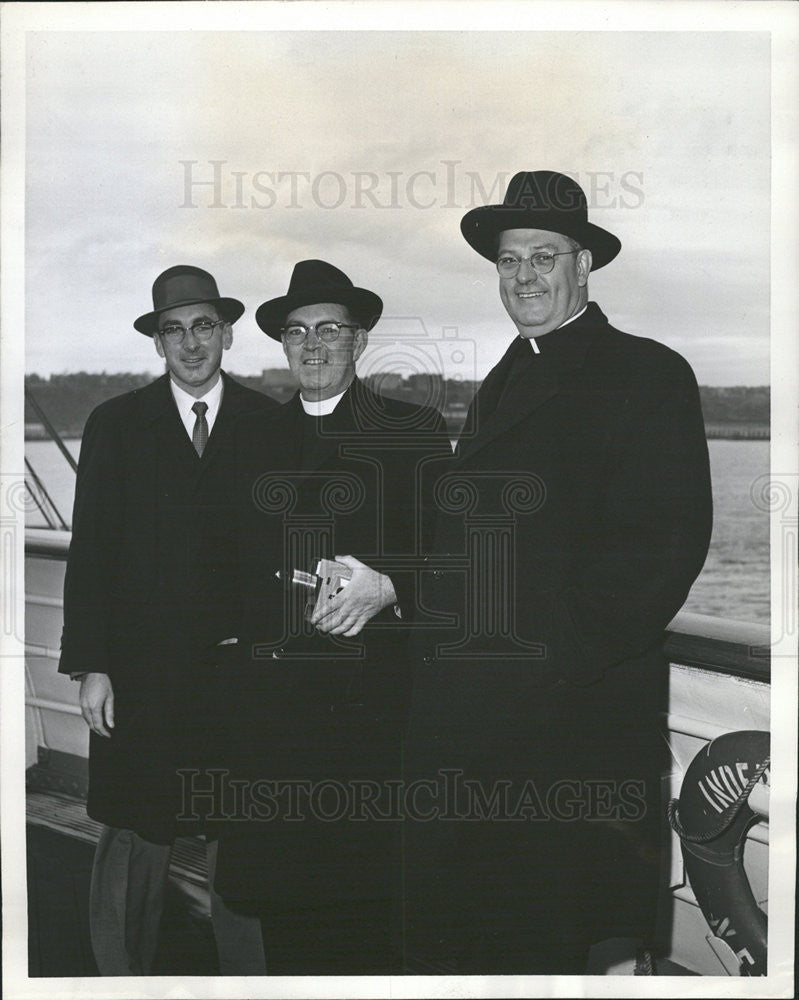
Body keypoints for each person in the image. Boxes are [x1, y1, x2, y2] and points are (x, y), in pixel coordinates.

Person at [403, 171, 713, 974]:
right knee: (496, 944)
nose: (524, 277)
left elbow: (657, 554)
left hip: (574, 731)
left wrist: (534, 665)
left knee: (577, 947)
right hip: (486, 736)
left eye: (544, 257)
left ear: (585, 267)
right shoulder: (507, 378)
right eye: (509, 262)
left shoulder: (646, 375)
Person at [211, 259, 451, 974]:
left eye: (330, 330)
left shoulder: (412, 429)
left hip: (371, 714)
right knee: (288, 911)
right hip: (273, 716)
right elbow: (218, 565)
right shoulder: (245, 438)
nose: (312, 345)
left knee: (371, 908)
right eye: (297, 332)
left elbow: (451, 556)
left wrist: (392, 587)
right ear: (282, 344)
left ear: (360, 340)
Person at [58, 264, 277, 975]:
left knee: (240, 834)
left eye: (203, 326)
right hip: (143, 671)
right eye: (173, 330)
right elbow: (91, 551)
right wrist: (93, 664)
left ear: (227, 333)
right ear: (157, 343)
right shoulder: (115, 424)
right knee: (135, 830)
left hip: (237, 674)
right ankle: (118, 980)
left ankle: (252, 983)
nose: (190, 344)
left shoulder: (268, 423)